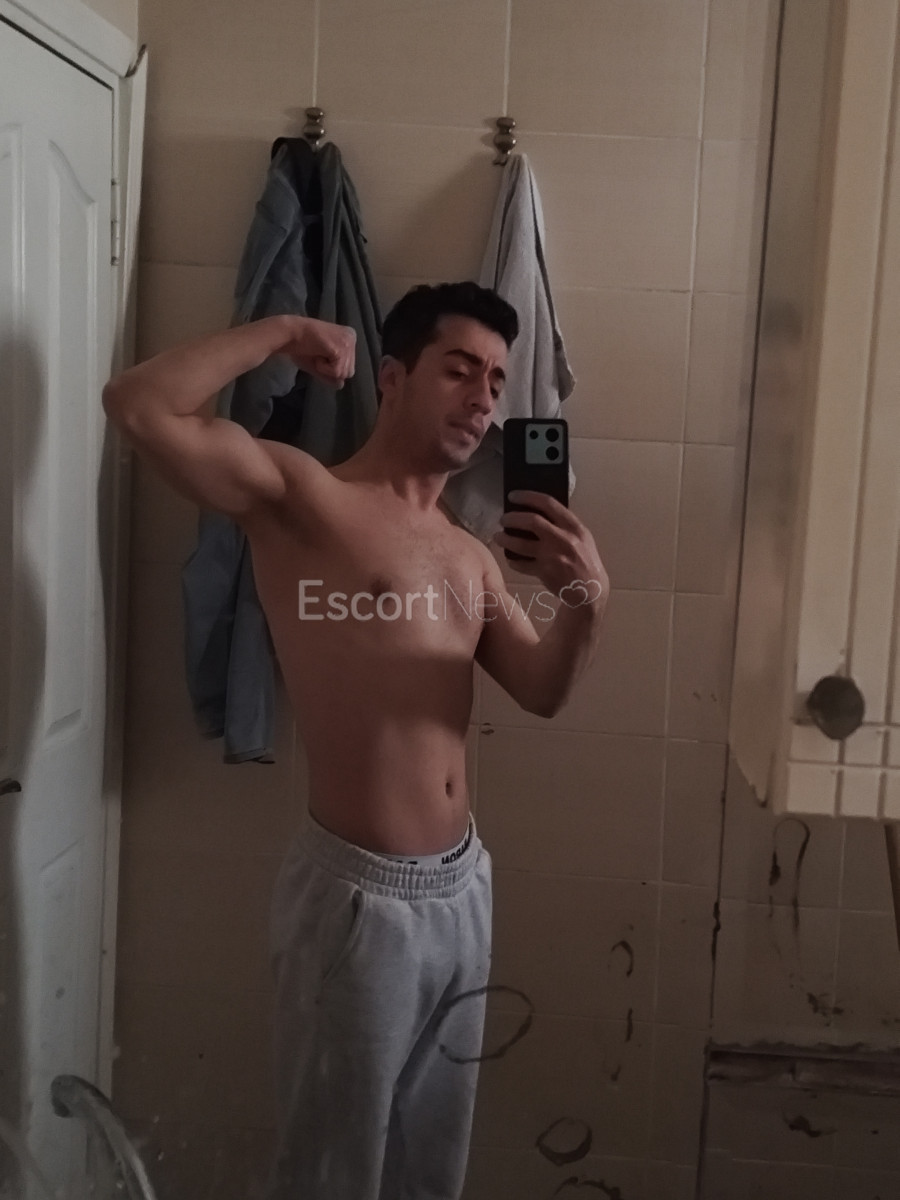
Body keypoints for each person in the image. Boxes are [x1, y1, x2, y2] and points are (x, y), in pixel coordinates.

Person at [102, 281, 609, 1200]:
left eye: (496, 381)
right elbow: (138, 404)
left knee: (431, 1168)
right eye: (460, 369)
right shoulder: (308, 497)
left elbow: (541, 691)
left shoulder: (469, 554)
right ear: (393, 377)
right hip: (359, 901)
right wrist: (284, 329)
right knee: (333, 1172)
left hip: (463, 888)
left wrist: (584, 601)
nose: (483, 397)